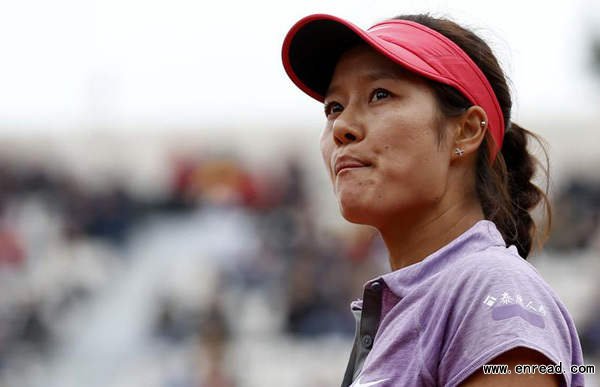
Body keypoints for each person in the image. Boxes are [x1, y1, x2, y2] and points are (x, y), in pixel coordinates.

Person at [281, 13, 585, 387]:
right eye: (334, 107)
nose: (342, 127)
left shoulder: (490, 289)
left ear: (467, 130)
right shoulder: (420, 303)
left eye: (380, 94)